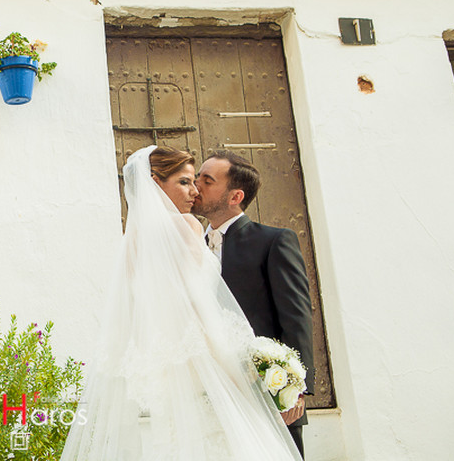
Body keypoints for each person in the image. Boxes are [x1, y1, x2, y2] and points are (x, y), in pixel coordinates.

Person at [61, 146, 302, 461]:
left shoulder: (133, 241)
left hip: (172, 381)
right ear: (156, 183)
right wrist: (237, 375)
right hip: (207, 370)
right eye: (186, 182)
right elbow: (199, 310)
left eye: (199, 182)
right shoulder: (187, 227)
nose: (195, 191)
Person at [193, 151, 314, 458]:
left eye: (207, 180)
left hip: (266, 393)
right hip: (209, 394)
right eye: (196, 177)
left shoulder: (273, 241)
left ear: (235, 196)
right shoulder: (188, 248)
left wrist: (294, 387)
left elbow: (296, 316)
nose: (196, 185)